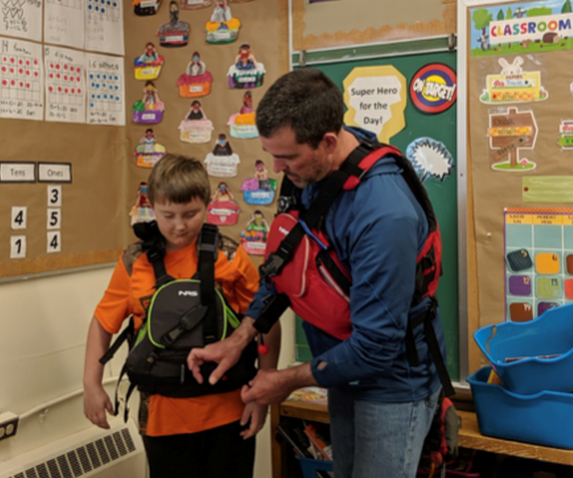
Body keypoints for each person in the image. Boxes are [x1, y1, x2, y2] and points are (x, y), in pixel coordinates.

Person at [187, 68, 447, 478]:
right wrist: (240, 338)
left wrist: (284, 380)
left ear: (328, 141)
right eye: (272, 153)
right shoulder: (308, 170)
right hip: (341, 370)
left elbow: (376, 347)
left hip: (393, 383)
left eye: (286, 156)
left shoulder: (384, 214)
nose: (275, 168)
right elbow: (282, 266)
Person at [83, 154, 281, 478]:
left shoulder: (229, 255)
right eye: (168, 215)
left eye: (191, 214)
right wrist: (91, 382)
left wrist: (263, 393)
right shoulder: (135, 262)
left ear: (207, 204)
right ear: (152, 207)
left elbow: (265, 321)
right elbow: (103, 322)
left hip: (231, 411)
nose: (179, 225)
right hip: (163, 418)